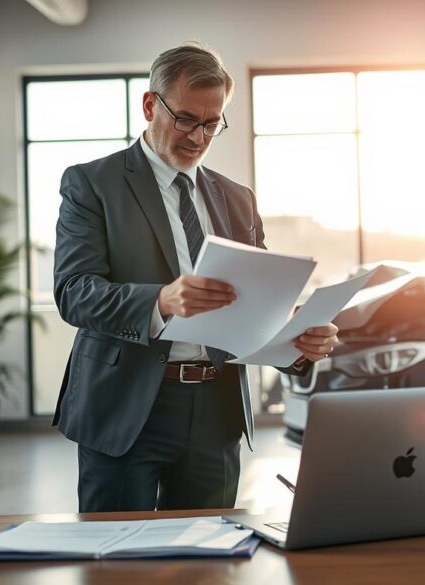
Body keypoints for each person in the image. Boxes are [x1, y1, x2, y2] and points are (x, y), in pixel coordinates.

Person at [51, 41, 339, 513]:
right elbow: (74, 292)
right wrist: (161, 300)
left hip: (216, 410)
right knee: (121, 563)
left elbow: (258, 305)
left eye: (212, 123)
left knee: (211, 562)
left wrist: (296, 341)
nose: (199, 136)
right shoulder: (92, 184)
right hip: (127, 408)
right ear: (150, 105)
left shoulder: (237, 198)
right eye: (186, 119)